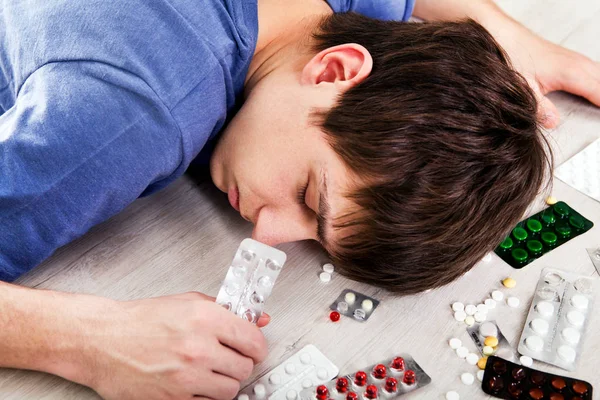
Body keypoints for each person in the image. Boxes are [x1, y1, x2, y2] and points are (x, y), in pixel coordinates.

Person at [0, 0, 598, 398]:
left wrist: (511, 37)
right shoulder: (130, 121)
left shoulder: (326, 19)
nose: (267, 233)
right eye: (311, 196)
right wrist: (85, 340)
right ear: (334, 71)